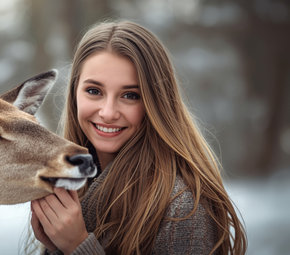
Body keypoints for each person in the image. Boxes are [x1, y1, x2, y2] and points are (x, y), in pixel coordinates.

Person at [30, 20, 247, 255]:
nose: (108, 112)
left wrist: (78, 246)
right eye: (94, 91)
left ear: (155, 102)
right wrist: (57, 248)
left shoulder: (181, 207)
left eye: (130, 95)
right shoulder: (72, 186)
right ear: (74, 93)